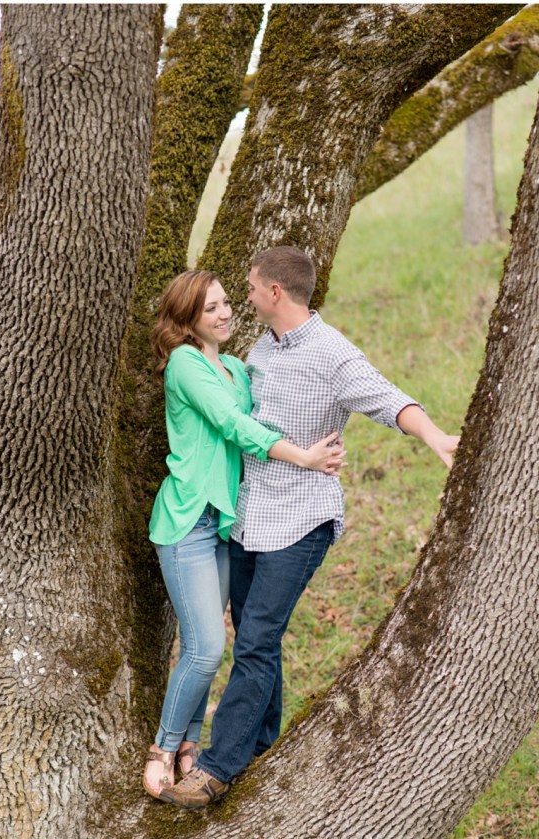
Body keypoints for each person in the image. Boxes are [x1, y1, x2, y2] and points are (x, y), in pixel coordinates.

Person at [160, 246, 460, 810]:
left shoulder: (332, 354)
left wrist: (434, 435)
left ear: (275, 292)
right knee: (257, 637)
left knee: (254, 641)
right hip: (252, 518)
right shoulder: (258, 350)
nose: (244, 297)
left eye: (250, 287)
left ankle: (216, 770)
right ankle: (261, 745)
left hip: (301, 519)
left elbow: (387, 398)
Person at [143, 269, 345, 800]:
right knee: (207, 649)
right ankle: (164, 748)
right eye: (210, 308)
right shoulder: (186, 365)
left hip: (226, 525)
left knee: (214, 642)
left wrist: (327, 435)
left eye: (227, 302)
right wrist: (303, 456)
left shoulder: (235, 366)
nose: (225, 313)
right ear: (187, 319)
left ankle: (190, 746)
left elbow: (277, 406)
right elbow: (237, 427)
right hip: (187, 521)